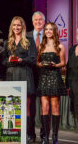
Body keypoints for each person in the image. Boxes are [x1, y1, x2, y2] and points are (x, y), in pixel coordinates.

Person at [2, 16, 37, 143]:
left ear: (23, 27)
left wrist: (22, 60)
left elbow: (33, 59)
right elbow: (3, 61)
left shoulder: (29, 40)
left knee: (26, 107)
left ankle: (28, 133)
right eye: (14, 25)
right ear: (11, 27)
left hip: (25, 74)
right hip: (11, 75)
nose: (16, 27)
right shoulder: (7, 42)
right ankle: (14, 132)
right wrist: (9, 60)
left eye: (19, 25)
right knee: (12, 106)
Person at [37, 22, 66, 144]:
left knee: (55, 107)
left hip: (54, 76)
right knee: (44, 108)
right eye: (46, 29)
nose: (48, 31)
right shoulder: (41, 46)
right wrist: (41, 64)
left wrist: (56, 65)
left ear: (54, 31)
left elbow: (63, 63)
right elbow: (37, 62)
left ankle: (55, 137)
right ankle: (45, 138)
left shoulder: (60, 45)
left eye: (51, 29)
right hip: (43, 77)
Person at [27, 11, 45, 141]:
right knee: (30, 106)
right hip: (29, 74)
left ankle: (44, 135)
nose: (38, 22)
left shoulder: (50, 35)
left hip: (45, 74)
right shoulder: (26, 36)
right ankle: (30, 134)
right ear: (32, 22)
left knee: (44, 107)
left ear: (44, 21)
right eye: (36, 20)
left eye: (40, 20)